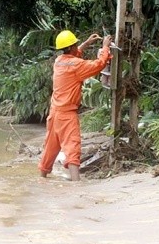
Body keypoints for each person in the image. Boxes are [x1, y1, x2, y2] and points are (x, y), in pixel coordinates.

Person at [38, 30, 112, 181]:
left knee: (50, 148)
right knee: (73, 147)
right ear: (72, 47)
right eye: (76, 44)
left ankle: (42, 177)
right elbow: (99, 65)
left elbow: (73, 57)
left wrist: (86, 44)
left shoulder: (59, 61)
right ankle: (76, 184)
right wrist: (105, 47)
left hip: (54, 113)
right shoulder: (76, 66)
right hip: (67, 114)